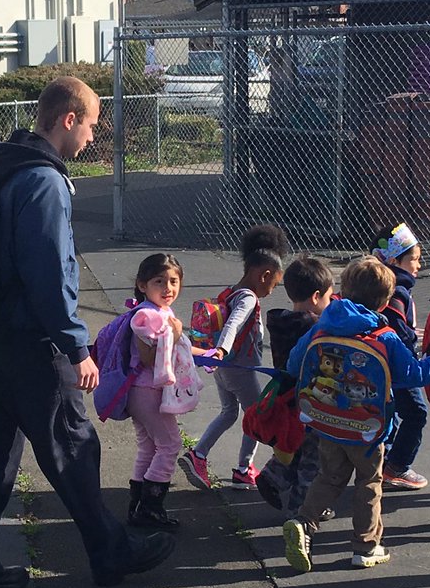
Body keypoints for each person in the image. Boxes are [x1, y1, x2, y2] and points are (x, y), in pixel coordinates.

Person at [0, 76, 175, 588]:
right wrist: (76, 346)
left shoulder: (6, 169)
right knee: (73, 445)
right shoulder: (44, 182)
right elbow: (48, 271)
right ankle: (111, 551)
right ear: (67, 119)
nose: (94, 137)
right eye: (92, 125)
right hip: (34, 343)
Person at [282, 257, 430, 574]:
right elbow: (412, 375)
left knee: (329, 477)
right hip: (366, 428)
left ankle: (303, 523)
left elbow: (295, 365)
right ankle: (366, 546)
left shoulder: (323, 325)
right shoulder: (385, 337)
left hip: (327, 420)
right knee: (368, 483)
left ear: (344, 290)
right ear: (386, 301)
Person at [178, 224, 291, 491]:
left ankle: (199, 454)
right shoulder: (249, 298)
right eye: (274, 284)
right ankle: (243, 469)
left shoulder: (230, 291)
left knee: (229, 412)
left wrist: (218, 356)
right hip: (239, 367)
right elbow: (234, 325)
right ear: (264, 275)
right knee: (257, 416)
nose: (272, 291)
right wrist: (223, 349)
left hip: (222, 368)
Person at [124, 253, 202, 530]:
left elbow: (177, 346)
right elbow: (148, 357)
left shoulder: (159, 311)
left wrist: (209, 353)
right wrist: (178, 335)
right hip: (148, 391)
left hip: (139, 390)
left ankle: (137, 506)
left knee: (149, 445)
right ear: (142, 284)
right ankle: (150, 507)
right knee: (170, 445)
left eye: (174, 281)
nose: (168, 288)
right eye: (160, 281)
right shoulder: (147, 316)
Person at [256, 255, 335, 518]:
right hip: (314, 402)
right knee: (313, 461)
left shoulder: (282, 321)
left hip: (289, 399)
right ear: (316, 297)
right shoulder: (314, 328)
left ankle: (273, 475)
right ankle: (303, 511)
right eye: (328, 298)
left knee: (295, 447)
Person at [371, 223, 430, 491]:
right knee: (416, 412)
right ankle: (397, 467)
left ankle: (385, 461)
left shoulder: (387, 284)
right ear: (395, 260)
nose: (419, 264)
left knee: (391, 412)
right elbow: (395, 326)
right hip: (400, 364)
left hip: (383, 363)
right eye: (414, 259)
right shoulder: (398, 290)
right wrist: (414, 342)